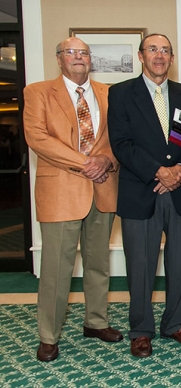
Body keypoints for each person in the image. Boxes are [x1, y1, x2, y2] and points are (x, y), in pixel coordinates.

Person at [23, 37, 123, 362]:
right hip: (60, 191)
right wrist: (85, 164)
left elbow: (119, 137)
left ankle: (96, 321)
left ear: (90, 60)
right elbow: (37, 137)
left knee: (98, 264)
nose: (78, 58)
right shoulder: (37, 92)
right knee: (56, 269)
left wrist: (106, 160)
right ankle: (49, 336)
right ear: (59, 59)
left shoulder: (110, 93)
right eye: (71, 52)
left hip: (103, 187)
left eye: (83, 53)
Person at [108, 34, 181, 358]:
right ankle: (141, 330)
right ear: (141, 56)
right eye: (153, 49)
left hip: (180, 191)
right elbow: (122, 143)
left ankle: (175, 323)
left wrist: (178, 171)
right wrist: (158, 172)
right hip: (142, 191)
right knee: (140, 265)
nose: (159, 55)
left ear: (172, 58)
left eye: (165, 50)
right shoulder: (121, 93)